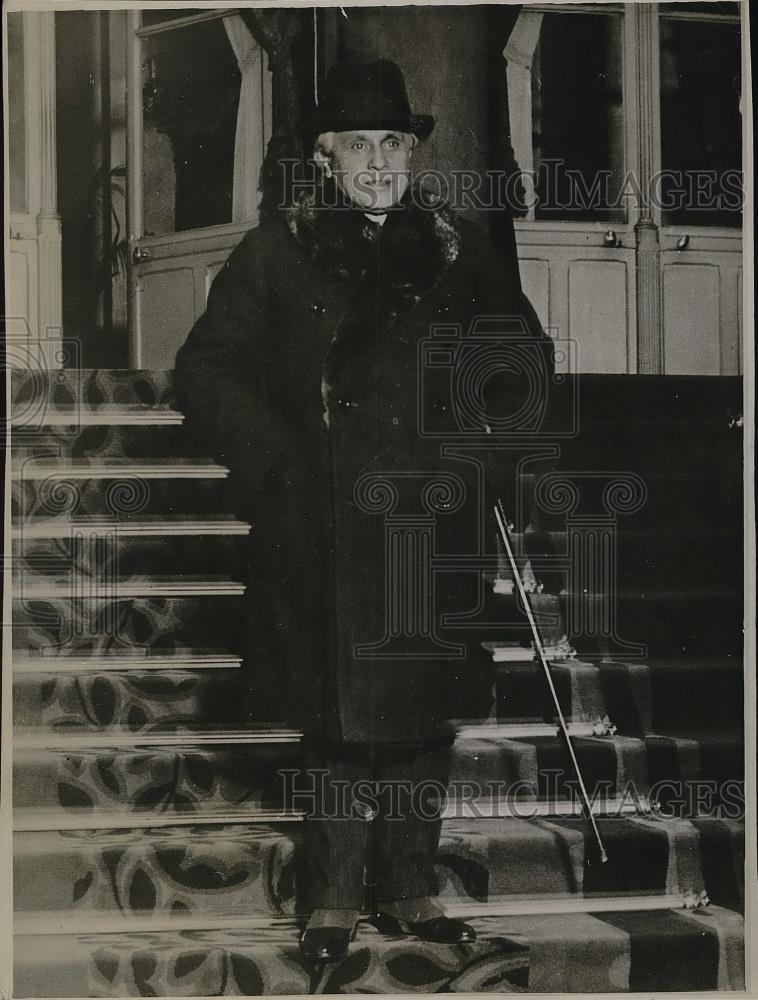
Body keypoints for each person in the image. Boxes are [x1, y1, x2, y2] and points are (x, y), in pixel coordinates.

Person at [174, 56, 552, 963]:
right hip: (322, 518)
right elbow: (207, 370)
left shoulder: (461, 250)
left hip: (435, 516)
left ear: (410, 155)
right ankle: (334, 896)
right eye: (359, 144)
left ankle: (413, 888)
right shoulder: (277, 249)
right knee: (335, 716)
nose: (379, 160)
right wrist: (280, 463)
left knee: (424, 714)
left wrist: (485, 452)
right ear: (326, 158)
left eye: (393, 142)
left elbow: (523, 365)